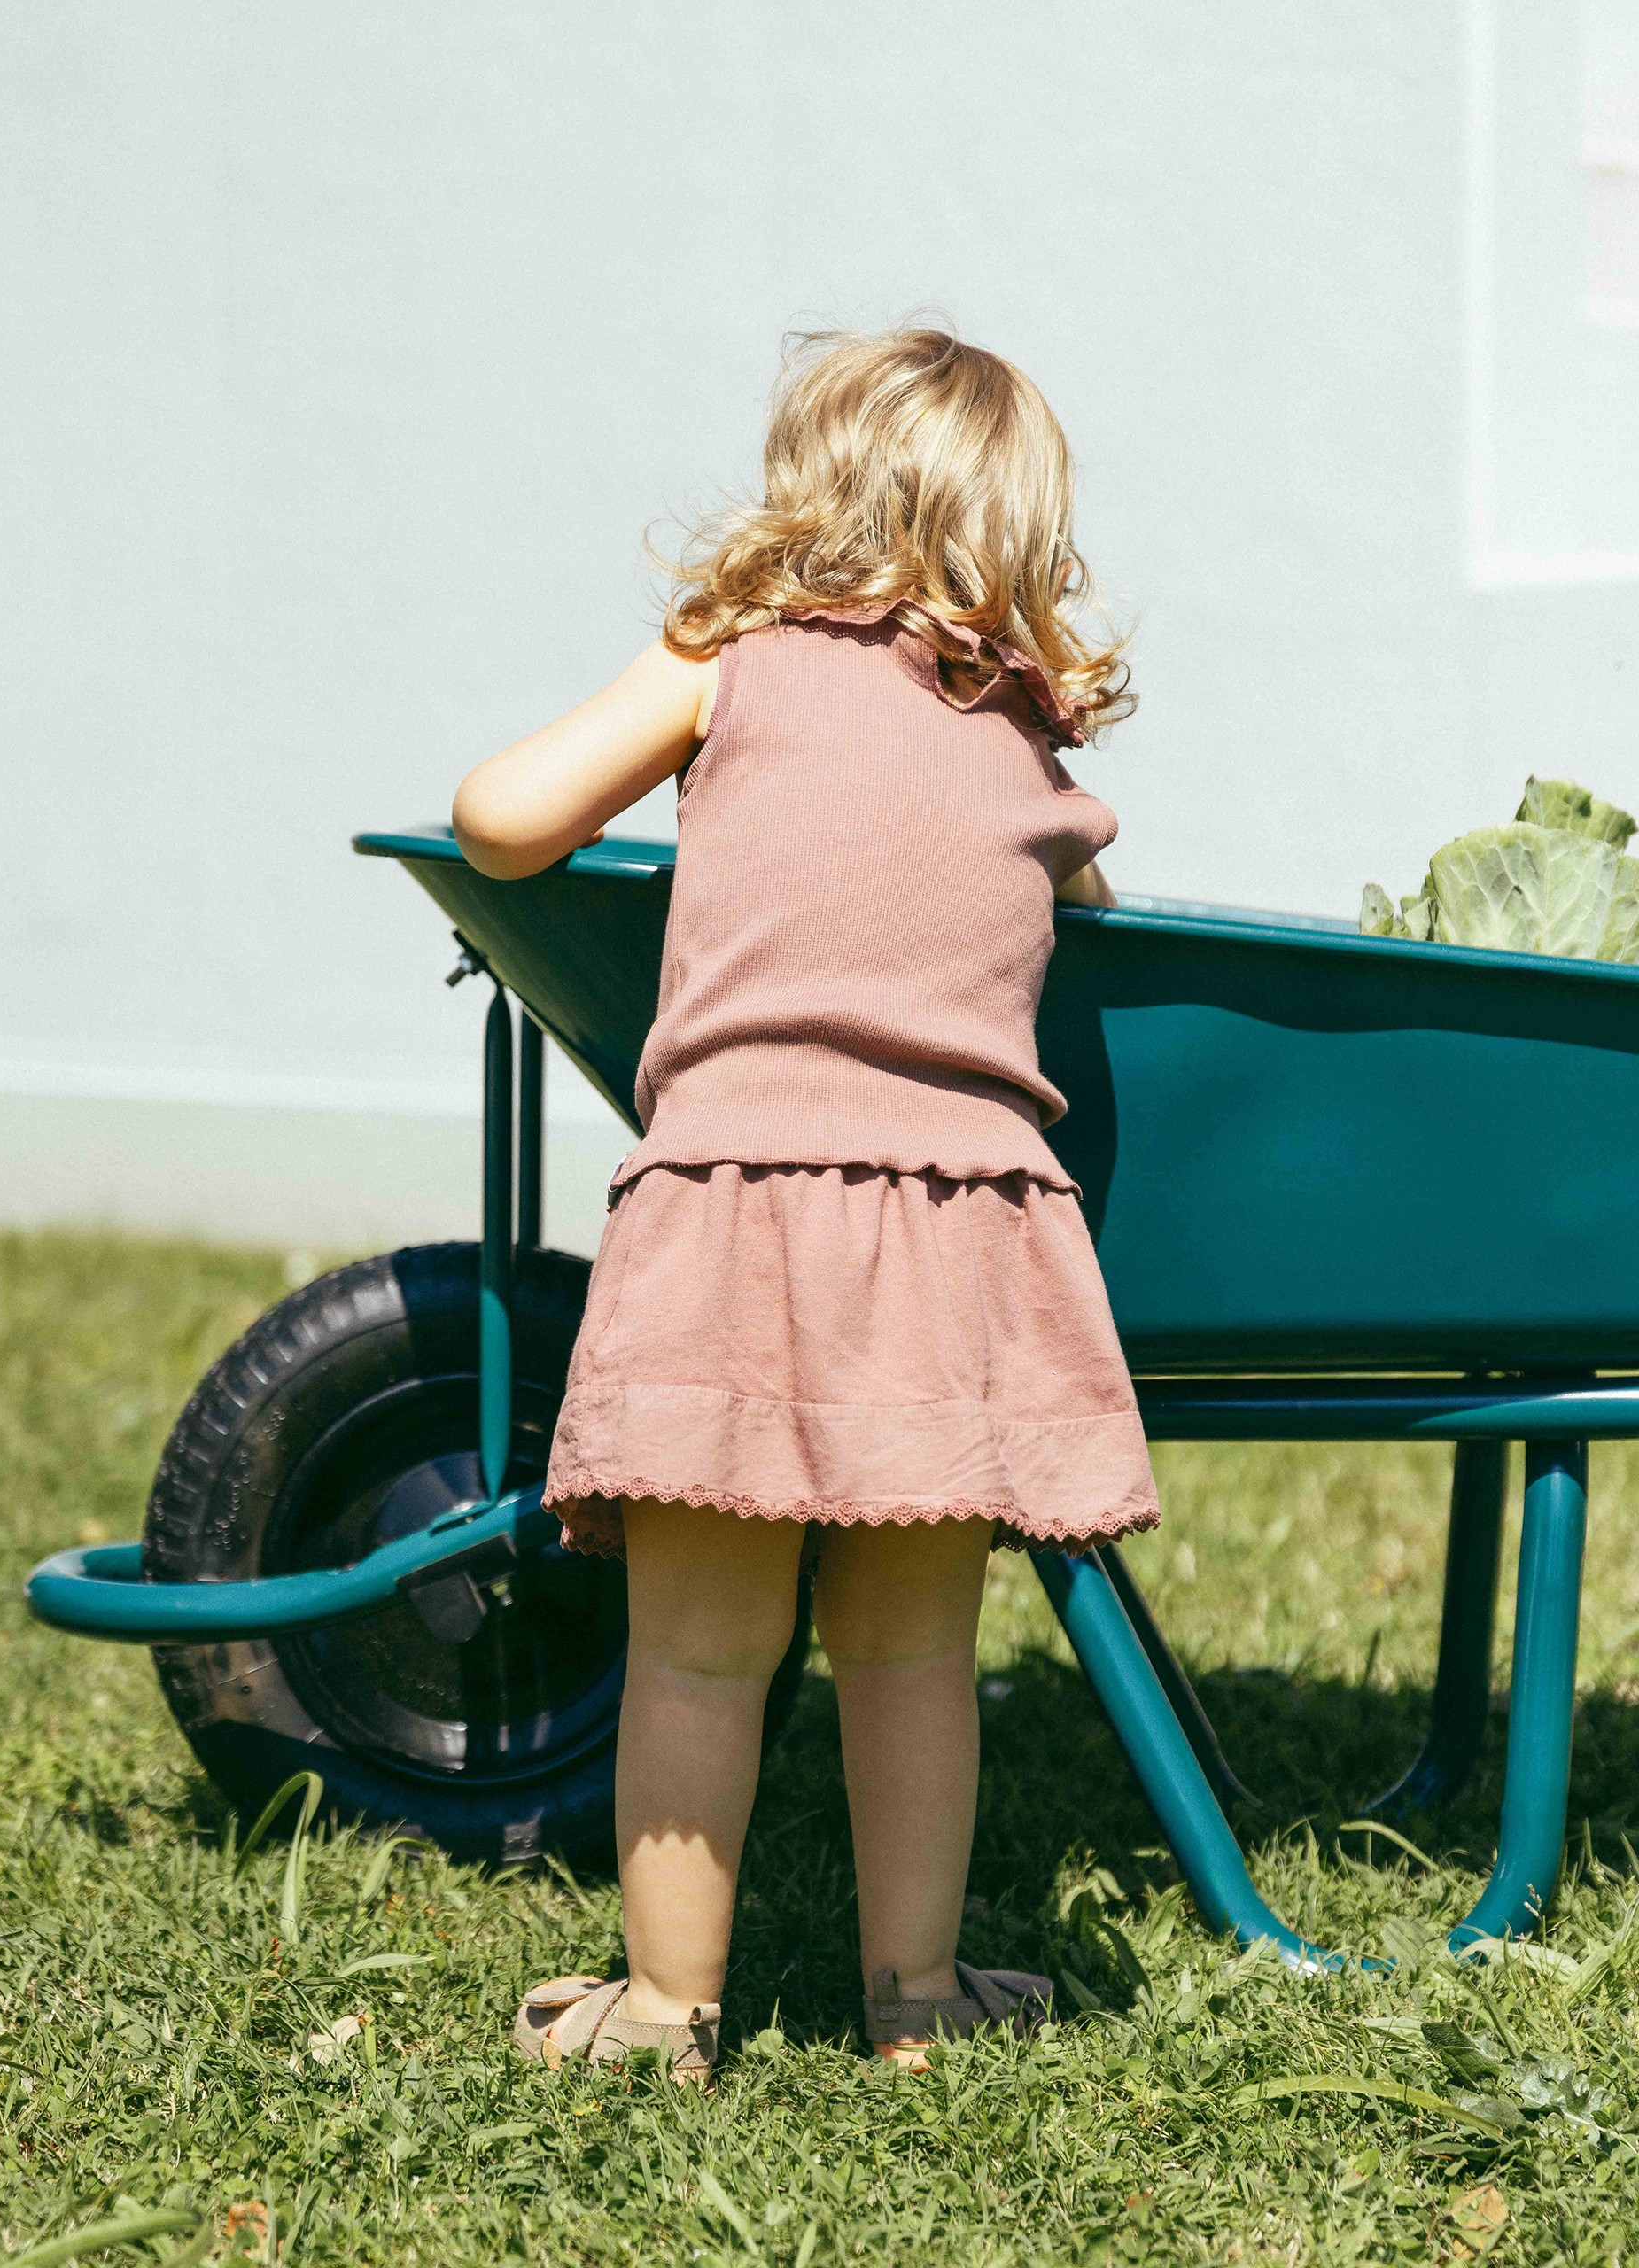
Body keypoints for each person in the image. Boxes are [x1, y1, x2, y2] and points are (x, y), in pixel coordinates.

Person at [453, 326, 1160, 2084]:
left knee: (700, 1651)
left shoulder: (734, 652)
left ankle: (669, 2012)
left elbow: (503, 818)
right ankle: (912, 1998)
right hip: (960, 1226)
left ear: (806, 497)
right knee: (916, 1651)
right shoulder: (1027, 721)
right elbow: (1089, 886)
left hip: (741, 1199)